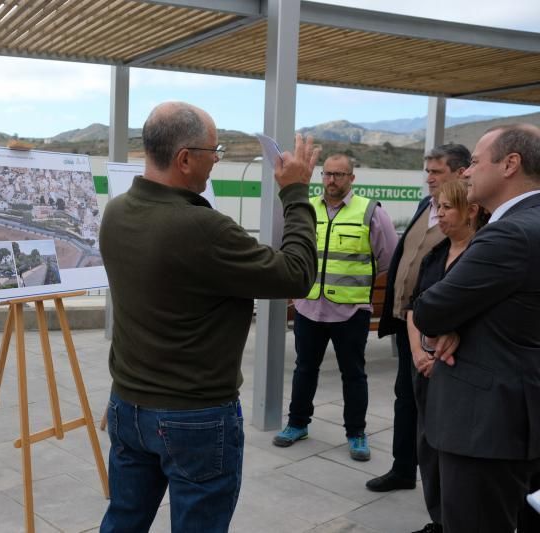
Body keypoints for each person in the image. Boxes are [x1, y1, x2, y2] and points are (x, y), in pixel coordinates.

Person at [98, 101, 319, 533]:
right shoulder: (202, 228)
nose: (216, 161)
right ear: (184, 159)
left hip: (128, 407)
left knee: (122, 521)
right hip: (193, 417)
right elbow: (296, 274)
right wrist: (295, 194)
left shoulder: (117, 211)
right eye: (213, 151)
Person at [412, 124, 540, 532]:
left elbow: (430, 310)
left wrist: (453, 321)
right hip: (516, 417)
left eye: (475, 162)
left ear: (510, 164)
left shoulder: (509, 234)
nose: (465, 172)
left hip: (485, 426)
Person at [272, 154, 397, 461]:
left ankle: (356, 433)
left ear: (351, 178)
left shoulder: (370, 211)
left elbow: (389, 256)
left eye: (340, 174)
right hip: (309, 307)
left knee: (353, 374)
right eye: (327, 174)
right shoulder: (307, 209)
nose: (332, 180)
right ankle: (297, 424)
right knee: (304, 369)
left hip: (350, 311)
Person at [366, 143, 470, 492]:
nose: (429, 179)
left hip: (438, 333)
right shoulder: (426, 204)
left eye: (436, 172)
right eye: (427, 171)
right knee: (405, 398)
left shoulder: (471, 216)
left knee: (434, 408)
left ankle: (441, 485)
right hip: (407, 321)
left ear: (460, 173)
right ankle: (403, 468)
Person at [404, 179, 488, 533]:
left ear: (470, 211)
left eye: (446, 208)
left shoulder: (481, 256)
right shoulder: (435, 254)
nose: (439, 215)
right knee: (427, 445)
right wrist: (416, 354)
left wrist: (438, 355)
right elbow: (413, 308)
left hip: (455, 372)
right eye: (436, 207)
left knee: (455, 454)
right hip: (423, 367)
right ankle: (437, 519)